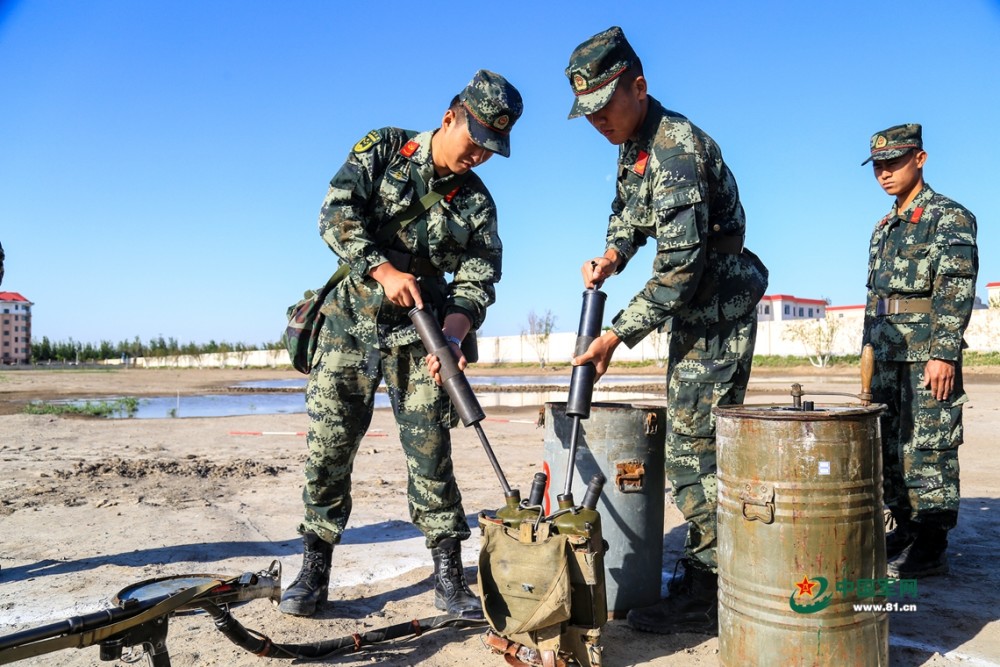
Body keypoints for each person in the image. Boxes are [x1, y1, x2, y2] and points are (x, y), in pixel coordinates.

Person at [281, 70, 523, 620]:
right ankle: (314, 569)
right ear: (449, 118)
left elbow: (478, 277)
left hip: (423, 336)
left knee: (432, 454)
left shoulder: (477, 204)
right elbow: (335, 212)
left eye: (493, 149)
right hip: (348, 327)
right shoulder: (386, 149)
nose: (481, 156)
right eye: (476, 141)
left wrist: (455, 337)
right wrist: (383, 269)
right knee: (329, 450)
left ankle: (447, 574)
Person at [564, 26, 768, 635]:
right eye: (588, 113)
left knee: (695, 449)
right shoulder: (635, 144)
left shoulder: (676, 150)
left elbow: (680, 270)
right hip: (695, 310)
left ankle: (710, 588)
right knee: (692, 441)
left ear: (640, 87)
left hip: (716, 305)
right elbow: (628, 216)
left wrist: (613, 337)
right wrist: (611, 256)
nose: (599, 121)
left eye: (605, 106)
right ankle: (713, 571)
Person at [861, 124, 978, 578]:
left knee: (929, 445)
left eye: (894, 162)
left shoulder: (949, 217)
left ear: (920, 159)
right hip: (886, 353)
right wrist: (867, 347)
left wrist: (945, 352)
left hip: (927, 350)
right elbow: (876, 295)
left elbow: (955, 286)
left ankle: (931, 542)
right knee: (889, 442)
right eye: (878, 166)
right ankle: (906, 526)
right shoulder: (884, 226)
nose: (885, 173)